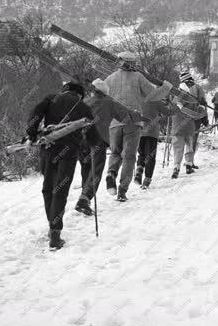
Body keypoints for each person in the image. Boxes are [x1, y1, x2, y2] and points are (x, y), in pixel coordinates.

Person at [27, 80, 100, 248]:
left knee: (48, 188)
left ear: (64, 90)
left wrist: (31, 133)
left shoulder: (51, 98)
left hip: (47, 148)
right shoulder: (82, 106)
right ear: (79, 94)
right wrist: (94, 144)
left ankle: (52, 225)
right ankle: (55, 232)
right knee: (61, 190)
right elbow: (93, 136)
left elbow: (35, 114)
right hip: (68, 152)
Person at [101, 52, 172, 202]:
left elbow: (102, 97)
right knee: (129, 156)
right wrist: (166, 87)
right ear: (133, 63)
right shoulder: (138, 77)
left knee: (115, 152)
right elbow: (153, 96)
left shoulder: (110, 78)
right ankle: (122, 190)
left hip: (114, 123)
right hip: (132, 122)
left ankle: (111, 173)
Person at [75, 79, 125, 216]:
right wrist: (139, 115)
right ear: (105, 92)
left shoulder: (84, 103)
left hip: (80, 141)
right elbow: (126, 116)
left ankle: (84, 198)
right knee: (96, 171)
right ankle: (84, 200)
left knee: (86, 170)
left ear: (93, 91)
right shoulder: (109, 102)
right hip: (97, 140)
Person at [171, 70, 208, 178]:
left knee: (178, 146)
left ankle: (176, 166)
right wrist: (204, 118)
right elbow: (201, 107)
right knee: (190, 144)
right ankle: (189, 164)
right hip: (191, 122)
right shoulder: (197, 89)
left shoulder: (177, 93)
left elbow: (172, 108)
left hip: (177, 124)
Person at [135, 83, 171, 189]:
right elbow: (168, 112)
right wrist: (174, 105)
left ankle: (139, 170)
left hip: (140, 131)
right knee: (150, 156)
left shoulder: (139, 100)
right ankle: (147, 180)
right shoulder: (157, 101)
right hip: (152, 132)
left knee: (141, 154)